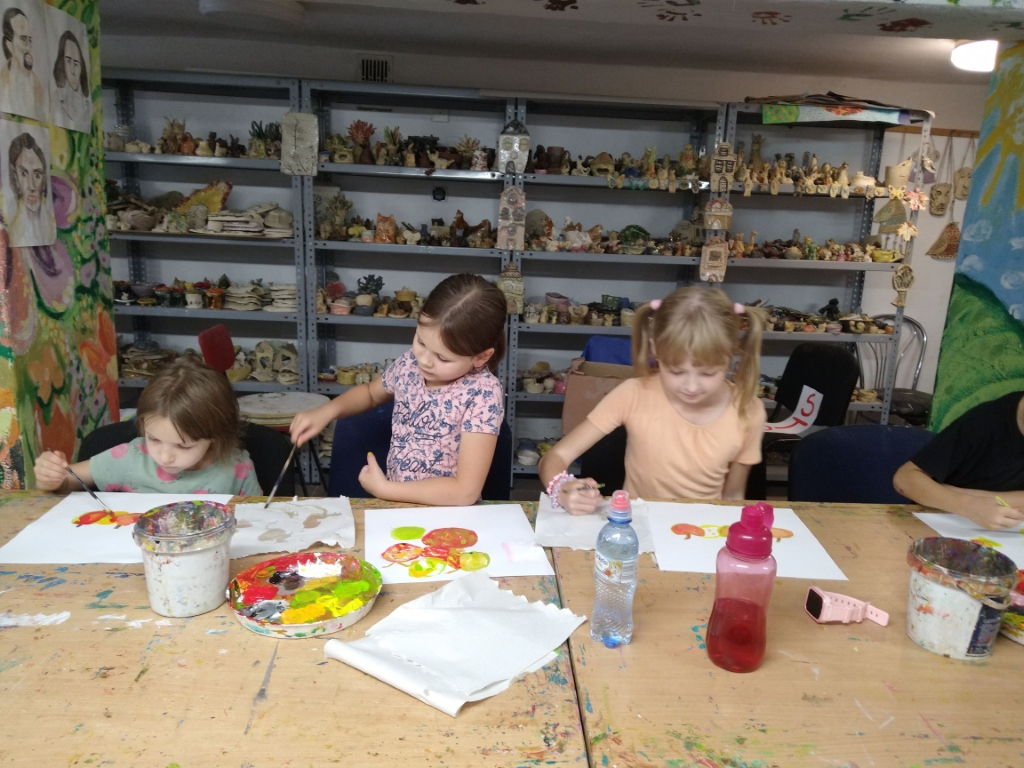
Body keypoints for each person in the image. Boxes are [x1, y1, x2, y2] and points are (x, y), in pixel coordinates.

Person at [540, 287, 767, 515]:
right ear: (656, 349)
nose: (691, 386)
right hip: (639, 525)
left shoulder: (748, 410)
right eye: (676, 371)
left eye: (708, 373)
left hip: (704, 527)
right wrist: (563, 489)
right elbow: (555, 457)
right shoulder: (633, 394)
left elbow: (733, 498)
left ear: (731, 354)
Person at [290, 273, 507, 506]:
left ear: (481, 356)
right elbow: (370, 394)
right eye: (421, 341)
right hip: (398, 505)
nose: (424, 360)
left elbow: (464, 492)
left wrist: (385, 488)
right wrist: (327, 411)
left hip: (447, 514)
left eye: (443, 358)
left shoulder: (483, 393)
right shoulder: (409, 364)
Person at [34, 356, 262, 495]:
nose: (165, 457)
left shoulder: (237, 468)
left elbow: (260, 519)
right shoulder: (131, 458)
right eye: (153, 439)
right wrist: (51, 477)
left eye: (183, 446)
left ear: (216, 433)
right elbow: (66, 481)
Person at [894, 391, 1024, 530]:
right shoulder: (985, 420)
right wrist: (969, 506)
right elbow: (904, 479)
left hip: (1004, 533)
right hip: (939, 523)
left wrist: (962, 495)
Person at [7, 131, 56, 247]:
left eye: (37, 175)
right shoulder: (12, 232)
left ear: (44, 178)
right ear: (15, 177)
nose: (32, 186)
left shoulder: (53, 226)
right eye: (24, 174)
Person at [0, 7, 47, 121]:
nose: (29, 47)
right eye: (23, 39)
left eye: (30, 40)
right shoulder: (2, 82)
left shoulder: (37, 86)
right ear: (9, 44)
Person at [51, 29, 89, 130]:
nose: (72, 71)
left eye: (76, 63)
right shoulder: (55, 100)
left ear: (81, 67)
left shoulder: (87, 107)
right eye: (68, 61)